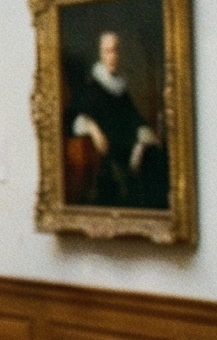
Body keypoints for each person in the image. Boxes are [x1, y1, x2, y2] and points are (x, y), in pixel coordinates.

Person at [65, 29, 167, 207]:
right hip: (106, 154)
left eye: (115, 50)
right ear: (101, 54)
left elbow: (133, 117)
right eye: (107, 51)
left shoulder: (120, 86)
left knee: (156, 155)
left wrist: (143, 139)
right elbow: (74, 117)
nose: (112, 56)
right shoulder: (92, 85)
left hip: (127, 146)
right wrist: (93, 129)